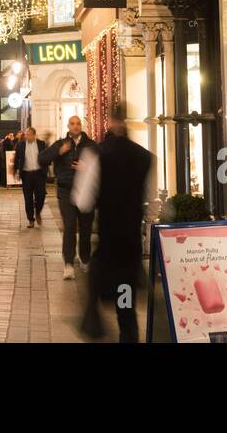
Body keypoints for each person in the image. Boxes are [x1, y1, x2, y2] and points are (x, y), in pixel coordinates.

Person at [73, 104, 154, 343]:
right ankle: (127, 335)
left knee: (96, 281)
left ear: (109, 120)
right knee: (125, 296)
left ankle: (93, 319)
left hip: (108, 242)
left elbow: (83, 201)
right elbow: (152, 201)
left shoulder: (97, 154)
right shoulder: (144, 157)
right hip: (130, 244)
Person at [39, 114, 96, 279]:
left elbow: (101, 165)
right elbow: (41, 159)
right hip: (66, 191)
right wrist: (58, 152)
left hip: (86, 191)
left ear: (81, 126)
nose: (76, 126)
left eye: (78, 123)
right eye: (72, 123)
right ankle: (69, 263)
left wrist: (88, 167)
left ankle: (85, 258)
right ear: (68, 126)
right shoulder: (60, 143)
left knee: (86, 227)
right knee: (70, 226)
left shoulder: (91, 145)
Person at [14, 126, 48, 227]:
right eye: (26, 134)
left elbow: (46, 157)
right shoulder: (20, 144)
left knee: (41, 196)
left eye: (28, 134)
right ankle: (31, 220)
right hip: (26, 175)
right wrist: (16, 170)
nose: (26, 136)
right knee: (28, 198)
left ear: (34, 135)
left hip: (39, 174)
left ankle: (38, 212)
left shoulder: (41, 144)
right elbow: (17, 158)